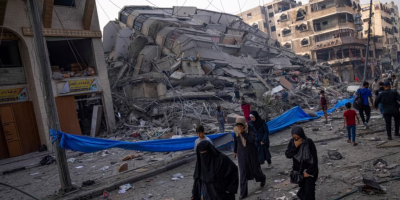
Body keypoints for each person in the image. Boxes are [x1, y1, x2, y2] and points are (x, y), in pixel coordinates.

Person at [233, 117, 266, 199]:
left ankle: (262, 178)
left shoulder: (250, 127)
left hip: (251, 151)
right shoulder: (236, 130)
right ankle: (243, 193)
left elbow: (251, 139)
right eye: (238, 126)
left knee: (255, 169)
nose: (239, 128)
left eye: (241, 126)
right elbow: (236, 140)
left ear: (244, 125)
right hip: (241, 152)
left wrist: (243, 133)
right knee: (242, 171)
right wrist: (235, 150)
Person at [285, 126, 318, 200]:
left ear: (301, 135)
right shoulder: (292, 142)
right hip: (299, 172)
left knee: (309, 190)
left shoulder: (309, 142)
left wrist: (308, 171)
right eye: (294, 137)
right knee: (303, 189)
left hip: (310, 171)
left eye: (298, 137)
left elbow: (314, 158)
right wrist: (295, 147)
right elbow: (288, 155)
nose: (296, 139)